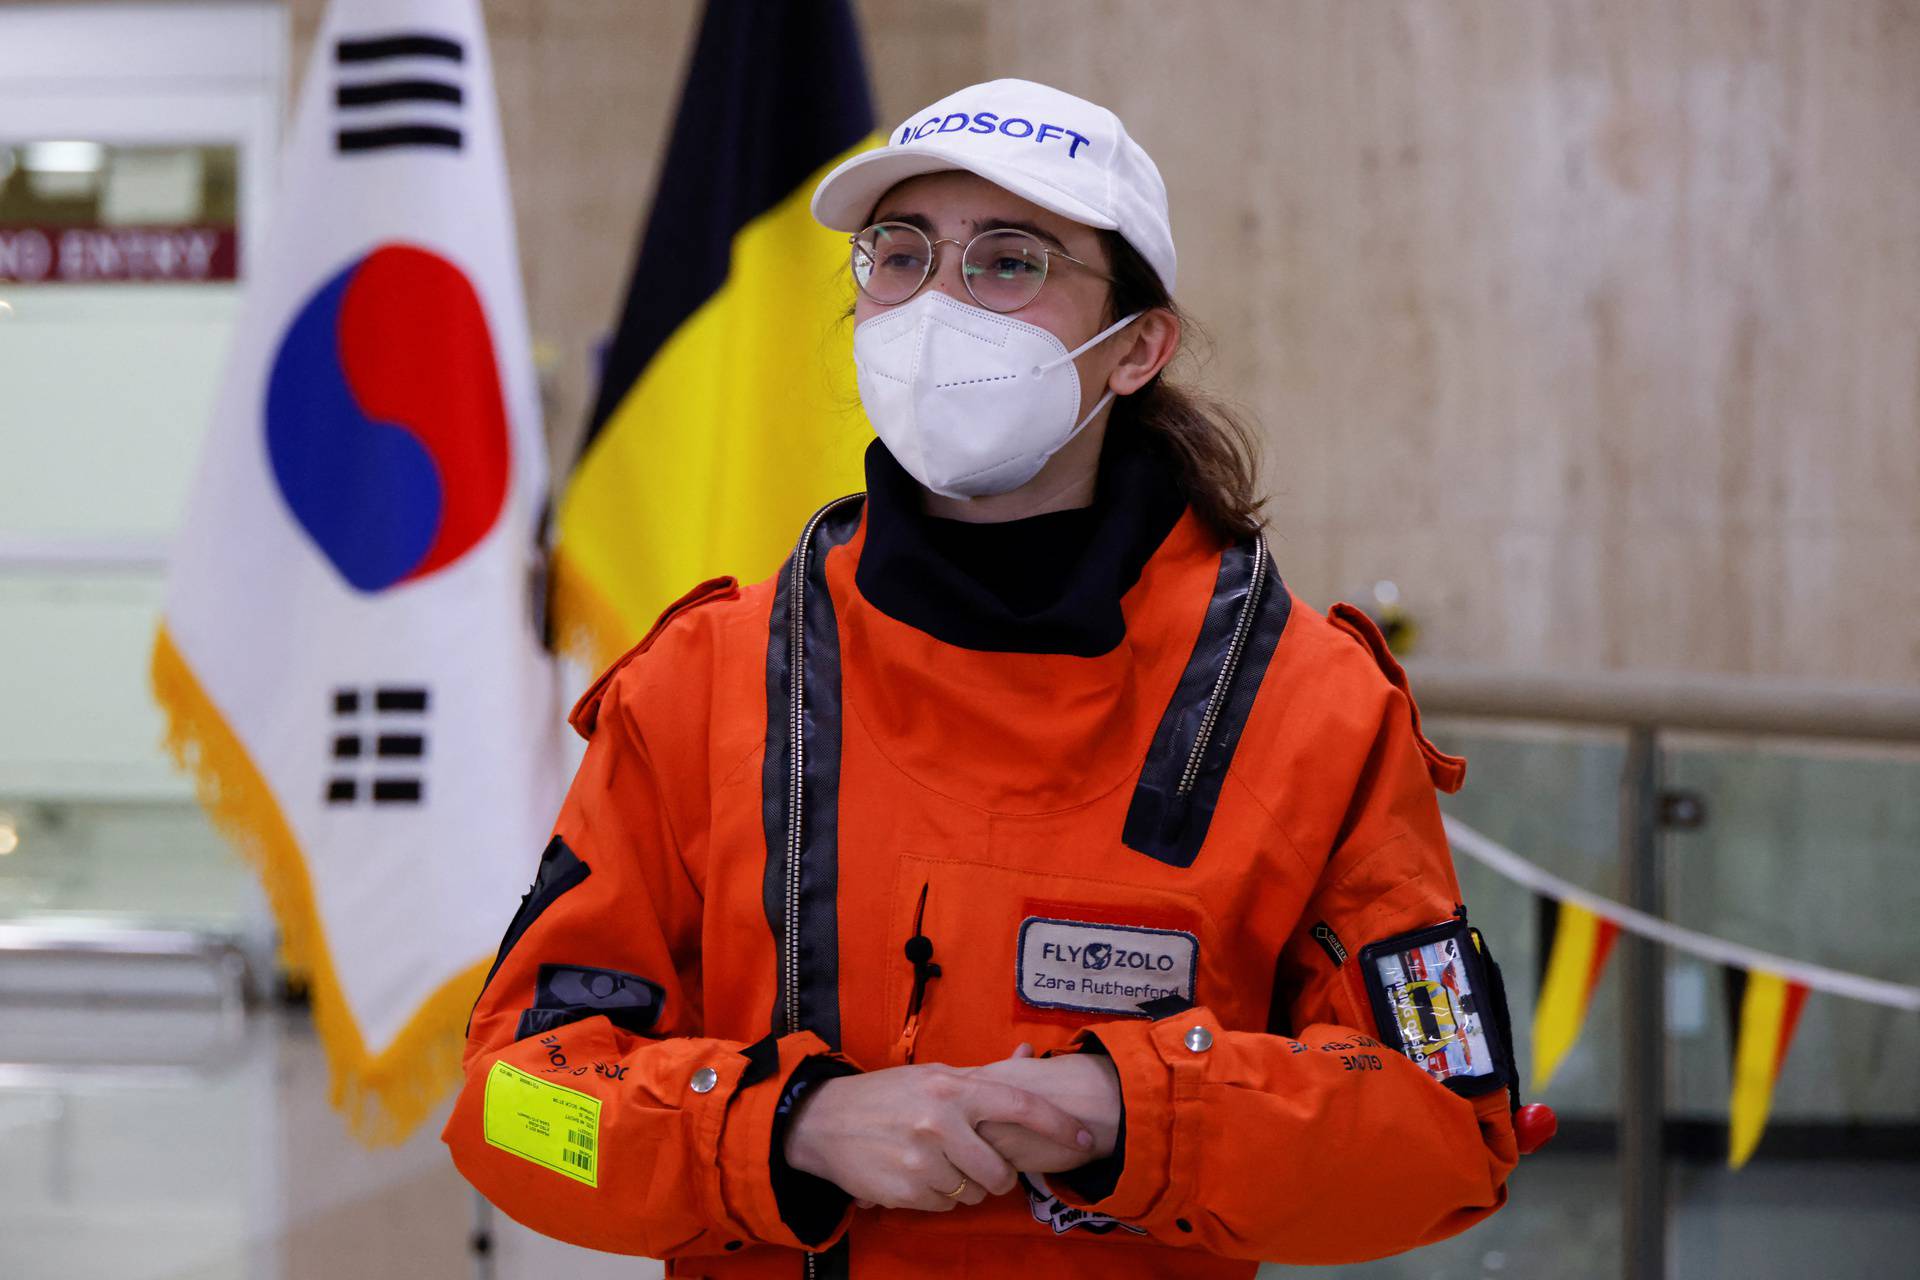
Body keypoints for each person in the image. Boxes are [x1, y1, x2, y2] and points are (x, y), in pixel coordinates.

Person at [444, 78, 1540, 1279]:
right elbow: (512, 1104)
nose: (935, 304)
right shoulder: (704, 688)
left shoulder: (1308, 708)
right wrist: (783, 1125)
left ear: (1136, 348)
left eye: (1009, 262)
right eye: (899, 255)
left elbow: (1443, 1133)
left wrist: (1134, 1106)